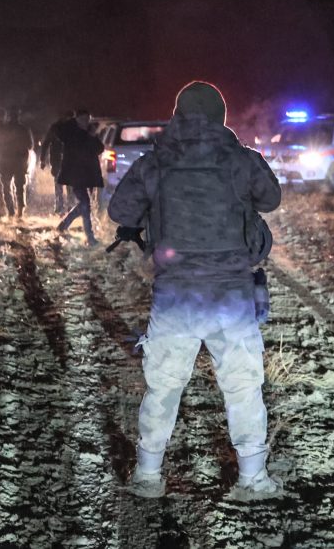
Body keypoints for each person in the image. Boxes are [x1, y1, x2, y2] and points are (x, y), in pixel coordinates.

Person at [108, 81, 281, 500]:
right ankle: (252, 479)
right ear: (220, 116)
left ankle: (148, 475)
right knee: (242, 385)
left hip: (176, 295)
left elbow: (119, 210)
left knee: (164, 385)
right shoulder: (240, 160)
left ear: (178, 115)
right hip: (232, 295)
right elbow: (271, 198)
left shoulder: (156, 161)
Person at [55, 109, 105, 245]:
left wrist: (93, 136)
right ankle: (90, 237)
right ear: (77, 120)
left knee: (84, 204)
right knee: (85, 203)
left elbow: (100, 148)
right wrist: (89, 135)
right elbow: (67, 138)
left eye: (87, 119)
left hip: (88, 174)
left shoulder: (89, 132)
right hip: (75, 174)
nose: (85, 122)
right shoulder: (71, 133)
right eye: (82, 119)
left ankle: (63, 226)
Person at [0, 107, 34, 217]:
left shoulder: (2, 130)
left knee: (6, 187)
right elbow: (30, 145)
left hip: (5, 161)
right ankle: (19, 212)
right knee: (19, 187)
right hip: (19, 162)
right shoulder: (24, 129)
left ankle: (11, 211)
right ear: (18, 117)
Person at [39, 111, 74, 214]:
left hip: (68, 159)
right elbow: (46, 143)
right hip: (57, 160)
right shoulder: (56, 128)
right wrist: (42, 159)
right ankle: (60, 207)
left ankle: (68, 207)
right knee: (59, 184)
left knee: (68, 185)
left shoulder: (72, 127)